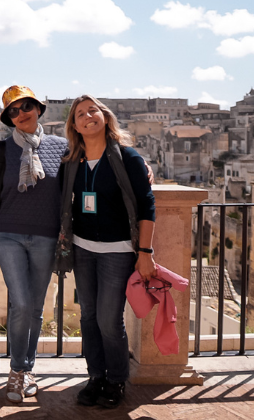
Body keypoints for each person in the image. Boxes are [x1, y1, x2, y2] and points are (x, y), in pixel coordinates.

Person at [56, 94, 157, 409]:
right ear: (75, 126)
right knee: (88, 316)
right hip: (83, 248)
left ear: (105, 116)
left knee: (109, 320)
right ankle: (95, 376)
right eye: (80, 114)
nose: (88, 116)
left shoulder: (128, 158)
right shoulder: (72, 161)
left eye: (93, 110)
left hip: (118, 251)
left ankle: (116, 379)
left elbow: (146, 206)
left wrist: (145, 251)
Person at [0, 85, 67, 403]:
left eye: (26, 106)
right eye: (13, 111)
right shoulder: (0, 151)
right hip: (8, 234)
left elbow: (93, 165)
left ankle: (27, 369)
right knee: (22, 303)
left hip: (45, 235)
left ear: (39, 109)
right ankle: (17, 370)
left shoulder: (62, 147)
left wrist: (141, 165)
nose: (21, 114)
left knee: (37, 307)